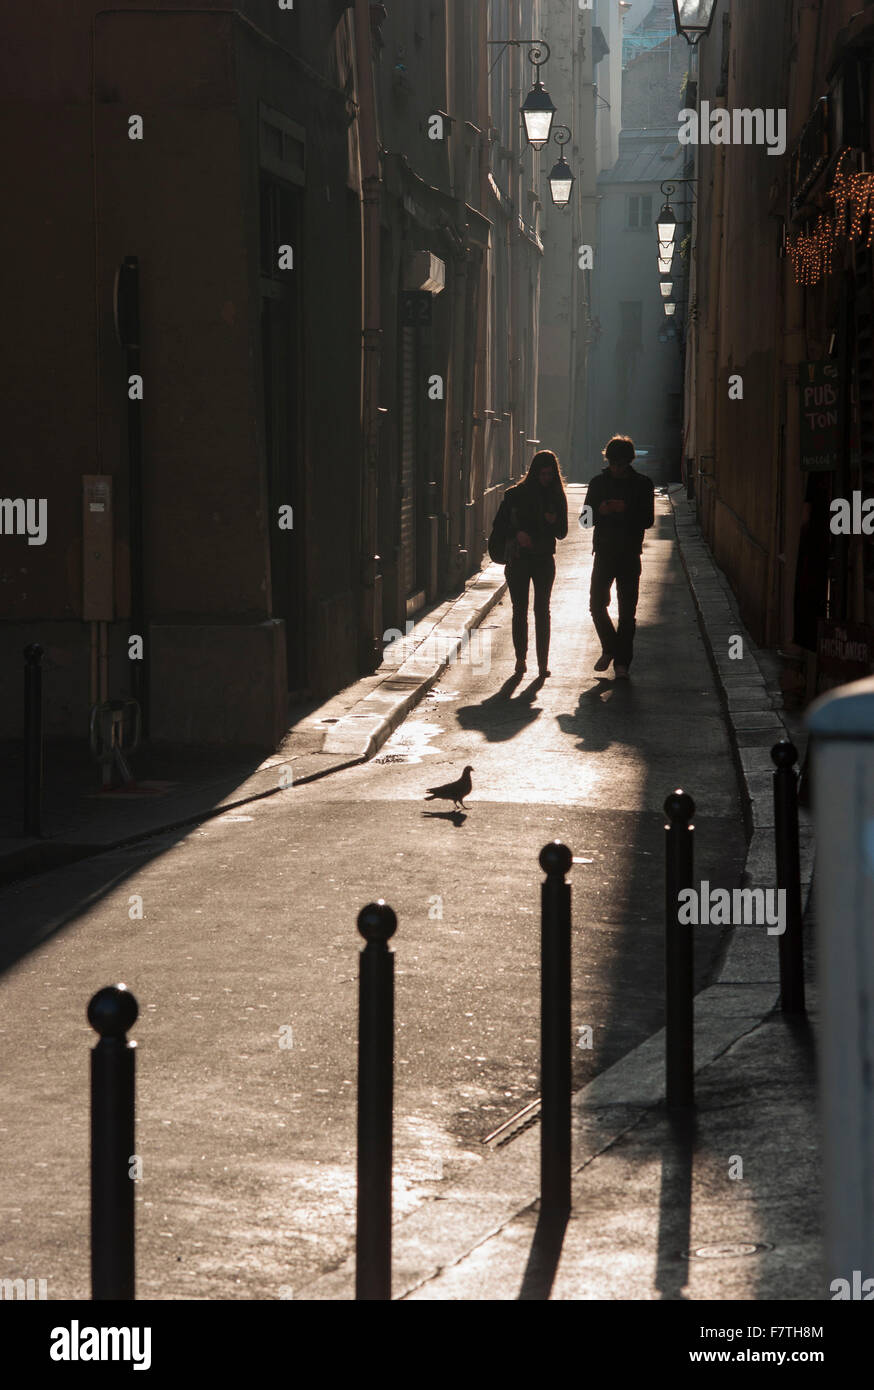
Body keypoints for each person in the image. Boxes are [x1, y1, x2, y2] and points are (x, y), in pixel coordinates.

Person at [584, 435, 655, 679]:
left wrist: (626, 509)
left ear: (629, 462)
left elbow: (648, 520)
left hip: (629, 554)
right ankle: (611, 648)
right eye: (613, 463)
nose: (617, 468)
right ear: (608, 460)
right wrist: (600, 510)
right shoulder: (597, 483)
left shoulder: (643, 485)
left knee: (627, 612)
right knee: (596, 605)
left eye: (621, 464)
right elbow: (584, 521)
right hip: (603, 553)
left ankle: (622, 663)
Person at [494, 450, 568, 678]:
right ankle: (520, 659)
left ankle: (543, 664)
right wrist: (517, 534)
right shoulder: (515, 495)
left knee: (542, 610)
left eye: (550, 474)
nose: (546, 478)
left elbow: (563, 532)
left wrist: (554, 522)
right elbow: (499, 526)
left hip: (544, 559)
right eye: (542, 474)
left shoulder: (556, 496)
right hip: (519, 560)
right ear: (534, 473)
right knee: (520, 610)